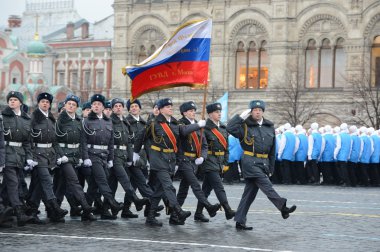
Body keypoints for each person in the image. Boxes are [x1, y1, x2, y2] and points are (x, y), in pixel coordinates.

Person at [227, 100, 296, 230]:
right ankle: (282, 207)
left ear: (263, 112)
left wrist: (271, 167)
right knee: (266, 185)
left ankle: (240, 221)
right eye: (254, 110)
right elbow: (230, 128)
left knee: (249, 194)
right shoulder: (245, 126)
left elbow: (272, 150)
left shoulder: (269, 127)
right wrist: (240, 117)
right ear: (251, 112)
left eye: (259, 110)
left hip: (263, 163)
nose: (257, 112)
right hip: (249, 161)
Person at [133, 98, 192, 226]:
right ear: (160, 110)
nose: (170, 108)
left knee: (159, 190)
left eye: (171, 106)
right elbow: (141, 137)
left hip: (170, 159)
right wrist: (135, 153)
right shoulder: (154, 123)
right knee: (169, 186)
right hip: (157, 159)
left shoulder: (175, 124)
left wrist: (177, 161)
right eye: (167, 106)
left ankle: (150, 217)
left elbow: (179, 142)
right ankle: (178, 211)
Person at [175, 101, 220, 224]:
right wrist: (198, 125)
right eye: (190, 111)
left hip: (194, 161)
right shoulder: (180, 123)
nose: (193, 113)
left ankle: (174, 216)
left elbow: (204, 145)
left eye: (194, 111)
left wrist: (203, 157)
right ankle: (208, 206)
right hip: (184, 160)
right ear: (184, 113)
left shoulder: (198, 126)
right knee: (196, 185)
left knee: (183, 190)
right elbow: (183, 131)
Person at [54, 94, 97, 221]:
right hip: (63, 157)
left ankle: (55, 211)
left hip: (74, 156)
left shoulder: (79, 121)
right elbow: (54, 140)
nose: (71, 106)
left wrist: (82, 157)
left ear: (77, 107)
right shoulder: (60, 120)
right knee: (74, 181)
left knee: (61, 185)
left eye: (73, 105)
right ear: (65, 105)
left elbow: (82, 142)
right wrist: (61, 155)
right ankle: (85, 206)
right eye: (69, 104)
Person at [81, 94, 123, 218]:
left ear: (103, 107)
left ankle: (86, 212)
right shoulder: (86, 121)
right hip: (92, 155)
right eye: (94, 104)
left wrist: (111, 158)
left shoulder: (108, 121)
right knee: (103, 180)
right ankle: (113, 203)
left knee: (93, 186)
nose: (96, 106)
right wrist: (85, 158)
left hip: (104, 156)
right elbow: (83, 141)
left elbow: (111, 142)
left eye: (99, 104)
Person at [28, 92, 68, 222]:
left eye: (47, 102)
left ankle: (32, 211)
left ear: (50, 105)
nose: (45, 104)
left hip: (49, 155)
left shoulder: (51, 119)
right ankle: (55, 207)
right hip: (38, 154)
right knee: (47, 181)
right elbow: (29, 139)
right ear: (38, 103)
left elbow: (54, 140)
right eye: (42, 102)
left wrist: (60, 155)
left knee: (39, 184)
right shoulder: (34, 118)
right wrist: (30, 156)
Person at [108, 98, 149, 217]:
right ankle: (136, 200)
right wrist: (109, 158)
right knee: (124, 180)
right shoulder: (110, 121)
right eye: (115, 106)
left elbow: (128, 142)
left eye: (120, 106)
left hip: (126, 156)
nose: (118, 108)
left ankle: (110, 208)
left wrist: (130, 158)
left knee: (113, 184)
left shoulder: (125, 122)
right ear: (112, 108)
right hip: (114, 155)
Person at [196, 102, 235, 221]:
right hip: (208, 161)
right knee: (219, 186)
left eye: (220, 112)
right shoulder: (205, 128)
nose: (219, 114)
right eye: (216, 112)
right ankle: (228, 209)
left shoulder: (223, 128)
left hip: (219, 161)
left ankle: (198, 213)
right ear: (210, 114)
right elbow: (201, 146)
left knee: (206, 189)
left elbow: (226, 147)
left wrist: (225, 162)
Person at [0, 91, 34, 226]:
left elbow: (27, 142)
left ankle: (4, 215)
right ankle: (19, 213)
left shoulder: (26, 119)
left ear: (21, 102)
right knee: (13, 183)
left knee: (7, 186)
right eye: (10, 99)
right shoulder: (3, 117)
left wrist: (29, 158)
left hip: (19, 156)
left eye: (15, 99)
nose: (12, 101)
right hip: (6, 154)